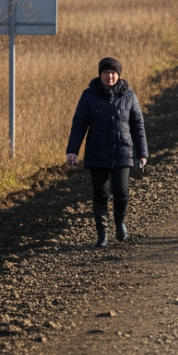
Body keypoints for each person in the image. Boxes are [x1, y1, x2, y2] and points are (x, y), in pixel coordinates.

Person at [66, 57, 148, 247]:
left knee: (121, 193)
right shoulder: (89, 95)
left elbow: (138, 126)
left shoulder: (129, 95)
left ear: (118, 75)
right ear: (100, 74)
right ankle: (102, 234)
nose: (109, 76)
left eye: (113, 73)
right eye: (106, 72)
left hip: (123, 152)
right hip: (97, 152)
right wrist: (72, 151)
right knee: (100, 195)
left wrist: (141, 153)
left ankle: (120, 223)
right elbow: (79, 125)